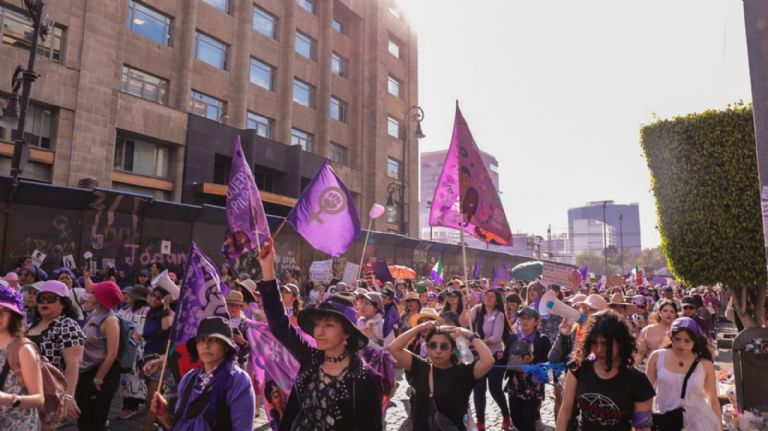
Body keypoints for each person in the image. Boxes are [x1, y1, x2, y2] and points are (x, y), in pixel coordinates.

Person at [256, 239, 384, 430]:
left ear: (347, 333)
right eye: (317, 324)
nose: (319, 332)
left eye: (329, 325)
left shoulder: (366, 379)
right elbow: (279, 325)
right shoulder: (310, 357)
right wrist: (267, 268)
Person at [556, 309, 655, 431]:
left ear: (620, 342)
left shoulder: (638, 381)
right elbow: (565, 411)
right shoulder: (578, 368)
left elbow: (642, 427)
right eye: (594, 343)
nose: (598, 349)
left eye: (605, 343)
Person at [151, 315, 255, 430]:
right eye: (201, 340)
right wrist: (164, 416)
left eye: (214, 339)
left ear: (226, 346)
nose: (206, 345)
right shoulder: (189, 378)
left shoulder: (238, 380)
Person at [389, 319, 494, 431]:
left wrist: (469, 334)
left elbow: (488, 361)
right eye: (433, 345)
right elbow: (394, 348)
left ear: (452, 349)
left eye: (444, 346)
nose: (438, 351)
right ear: (427, 347)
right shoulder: (420, 367)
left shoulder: (463, 372)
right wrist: (420, 327)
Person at [646, 317, 721, 430]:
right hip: (665, 420)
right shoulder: (657, 356)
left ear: (695, 341)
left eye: (687, 341)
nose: (681, 344)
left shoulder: (705, 364)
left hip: (697, 422)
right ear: (671, 337)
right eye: (677, 339)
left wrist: (719, 426)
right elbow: (646, 393)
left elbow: (712, 399)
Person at [25, 280, 84, 422]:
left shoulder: (67, 325)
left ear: (63, 303)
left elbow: (73, 363)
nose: (44, 302)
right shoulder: (32, 324)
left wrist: (68, 396)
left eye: (51, 298)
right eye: (41, 298)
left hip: (49, 392)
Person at [75, 281, 123, 431]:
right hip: (86, 372)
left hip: (100, 377)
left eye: (94, 293)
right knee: (82, 417)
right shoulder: (92, 315)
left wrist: (99, 377)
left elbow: (112, 353)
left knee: (95, 421)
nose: (90, 294)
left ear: (102, 298)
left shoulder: (110, 320)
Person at [0, 285, 44, 429]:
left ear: (15, 315)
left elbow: (39, 399)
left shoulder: (23, 349)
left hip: (19, 425)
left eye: (5, 311)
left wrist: (8, 399)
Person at [504, 307, 551, 431]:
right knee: (516, 418)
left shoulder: (542, 339)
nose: (524, 321)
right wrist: (500, 356)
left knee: (528, 419)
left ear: (536, 322)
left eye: (528, 318)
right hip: (515, 383)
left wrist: (534, 359)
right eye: (522, 318)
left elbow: (548, 362)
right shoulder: (513, 338)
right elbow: (505, 358)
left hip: (533, 384)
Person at [470, 288, 511, 430]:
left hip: (495, 357)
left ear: (496, 301)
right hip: (478, 356)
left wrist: (478, 341)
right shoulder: (475, 311)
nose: (488, 298)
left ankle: (506, 415)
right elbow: (466, 326)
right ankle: (480, 421)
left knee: (495, 389)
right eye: (486, 295)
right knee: (478, 389)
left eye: (492, 297)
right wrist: (465, 305)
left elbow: (496, 337)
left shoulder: (499, 315)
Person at [142, 283, 176, 431]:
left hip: (161, 358)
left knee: (152, 398)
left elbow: (165, 327)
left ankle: (148, 428)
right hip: (149, 357)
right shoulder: (151, 312)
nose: (155, 298)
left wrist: (166, 306)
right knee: (151, 397)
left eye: (159, 297)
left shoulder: (169, 312)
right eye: (153, 295)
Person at [117, 284, 150, 419]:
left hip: (140, 350)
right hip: (127, 349)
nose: (126, 297)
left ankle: (132, 405)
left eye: (130, 295)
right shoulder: (125, 310)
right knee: (127, 378)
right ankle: (129, 403)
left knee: (136, 378)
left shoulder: (147, 310)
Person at [635, 299, 678, 366]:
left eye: (672, 312)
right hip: (650, 367)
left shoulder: (679, 331)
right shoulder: (647, 330)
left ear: (675, 315)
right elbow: (640, 353)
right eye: (665, 311)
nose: (668, 313)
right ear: (659, 313)